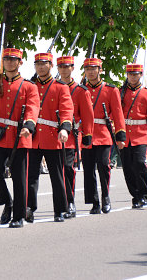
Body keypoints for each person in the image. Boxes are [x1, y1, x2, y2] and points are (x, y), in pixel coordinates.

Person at [0, 48, 39, 228]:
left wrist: (28, 125)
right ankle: (7, 201)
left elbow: (32, 108)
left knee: (19, 177)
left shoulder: (28, 86)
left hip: (19, 136)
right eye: (6, 59)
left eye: (13, 59)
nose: (9, 62)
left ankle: (18, 216)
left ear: (20, 63)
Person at [26, 53, 73, 223]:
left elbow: (67, 110)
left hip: (53, 137)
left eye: (43, 64)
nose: (40, 67)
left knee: (57, 176)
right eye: (37, 64)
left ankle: (60, 210)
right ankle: (29, 208)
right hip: (33, 138)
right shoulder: (30, 86)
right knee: (31, 176)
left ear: (51, 65)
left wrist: (65, 129)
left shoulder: (60, 87)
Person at [82, 57, 126, 214]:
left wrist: (120, 136)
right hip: (86, 134)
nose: (91, 72)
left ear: (100, 70)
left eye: (94, 69)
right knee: (88, 169)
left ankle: (106, 197)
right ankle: (94, 202)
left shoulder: (110, 90)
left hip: (103, 133)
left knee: (103, 166)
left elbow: (118, 114)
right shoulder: (81, 89)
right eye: (88, 69)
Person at [118, 64, 147, 209]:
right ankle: (135, 195)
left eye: (135, 74)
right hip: (124, 134)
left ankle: (144, 195)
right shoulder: (120, 92)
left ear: (140, 75)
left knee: (139, 164)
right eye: (130, 74)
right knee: (127, 168)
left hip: (140, 133)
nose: (132, 77)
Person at [56, 56, 94, 218]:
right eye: (61, 67)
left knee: (67, 169)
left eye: (67, 67)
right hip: (52, 134)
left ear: (72, 68)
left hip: (72, 136)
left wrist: (88, 135)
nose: (64, 70)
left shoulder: (80, 91)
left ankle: (70, 202)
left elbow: (87, 116)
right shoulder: (54, 87)